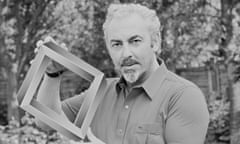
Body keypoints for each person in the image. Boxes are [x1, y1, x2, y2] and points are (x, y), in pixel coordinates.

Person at [35, 3, 209, 144]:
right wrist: (52, 74)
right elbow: (46, 122)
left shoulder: (183, 96)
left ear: (155, 43)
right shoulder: (101, 91)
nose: (126, 54)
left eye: (135, 41)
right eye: (117, 44)